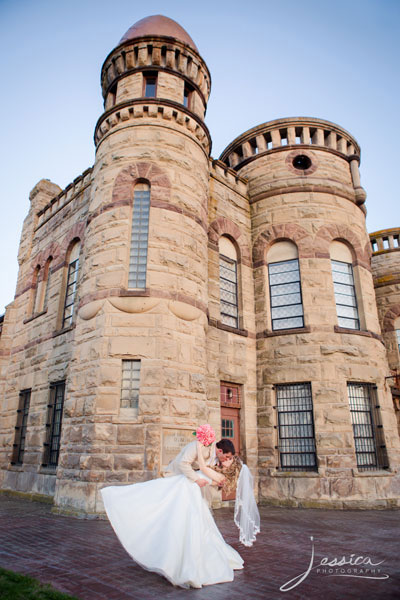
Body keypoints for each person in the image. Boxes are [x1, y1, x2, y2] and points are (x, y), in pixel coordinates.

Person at [101, 424, 259, 588]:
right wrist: (197, 468)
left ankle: (175, 554)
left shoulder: (218, 469)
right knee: (162, 506)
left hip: (190, 488)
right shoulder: (202, 450)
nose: (225, 460)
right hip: (181, 481)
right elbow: (185, 464)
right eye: (226, 457)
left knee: (182, 521)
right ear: (220, 451)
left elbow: (203, 468)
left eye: (229, 460)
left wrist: (198, 475)